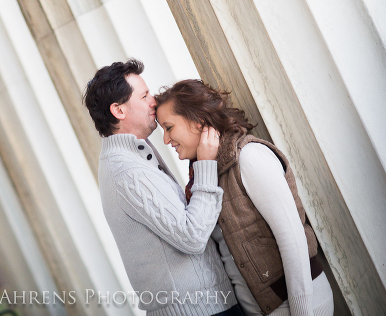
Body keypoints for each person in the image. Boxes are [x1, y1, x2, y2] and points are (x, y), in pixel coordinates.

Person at [155, 80, 334, 316]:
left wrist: (302, 312)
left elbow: (293, 239)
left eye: (169, 127)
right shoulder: (204, 176)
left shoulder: (249, 157)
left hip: (296, 306)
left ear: (197, 121)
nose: (166, 140)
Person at [83, 59, 244, 316]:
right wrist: (205, 164)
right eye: (145, 95)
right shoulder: (127, 171)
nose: (154, 101)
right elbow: (192, 236)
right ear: (119, 111)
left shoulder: (130, 157)